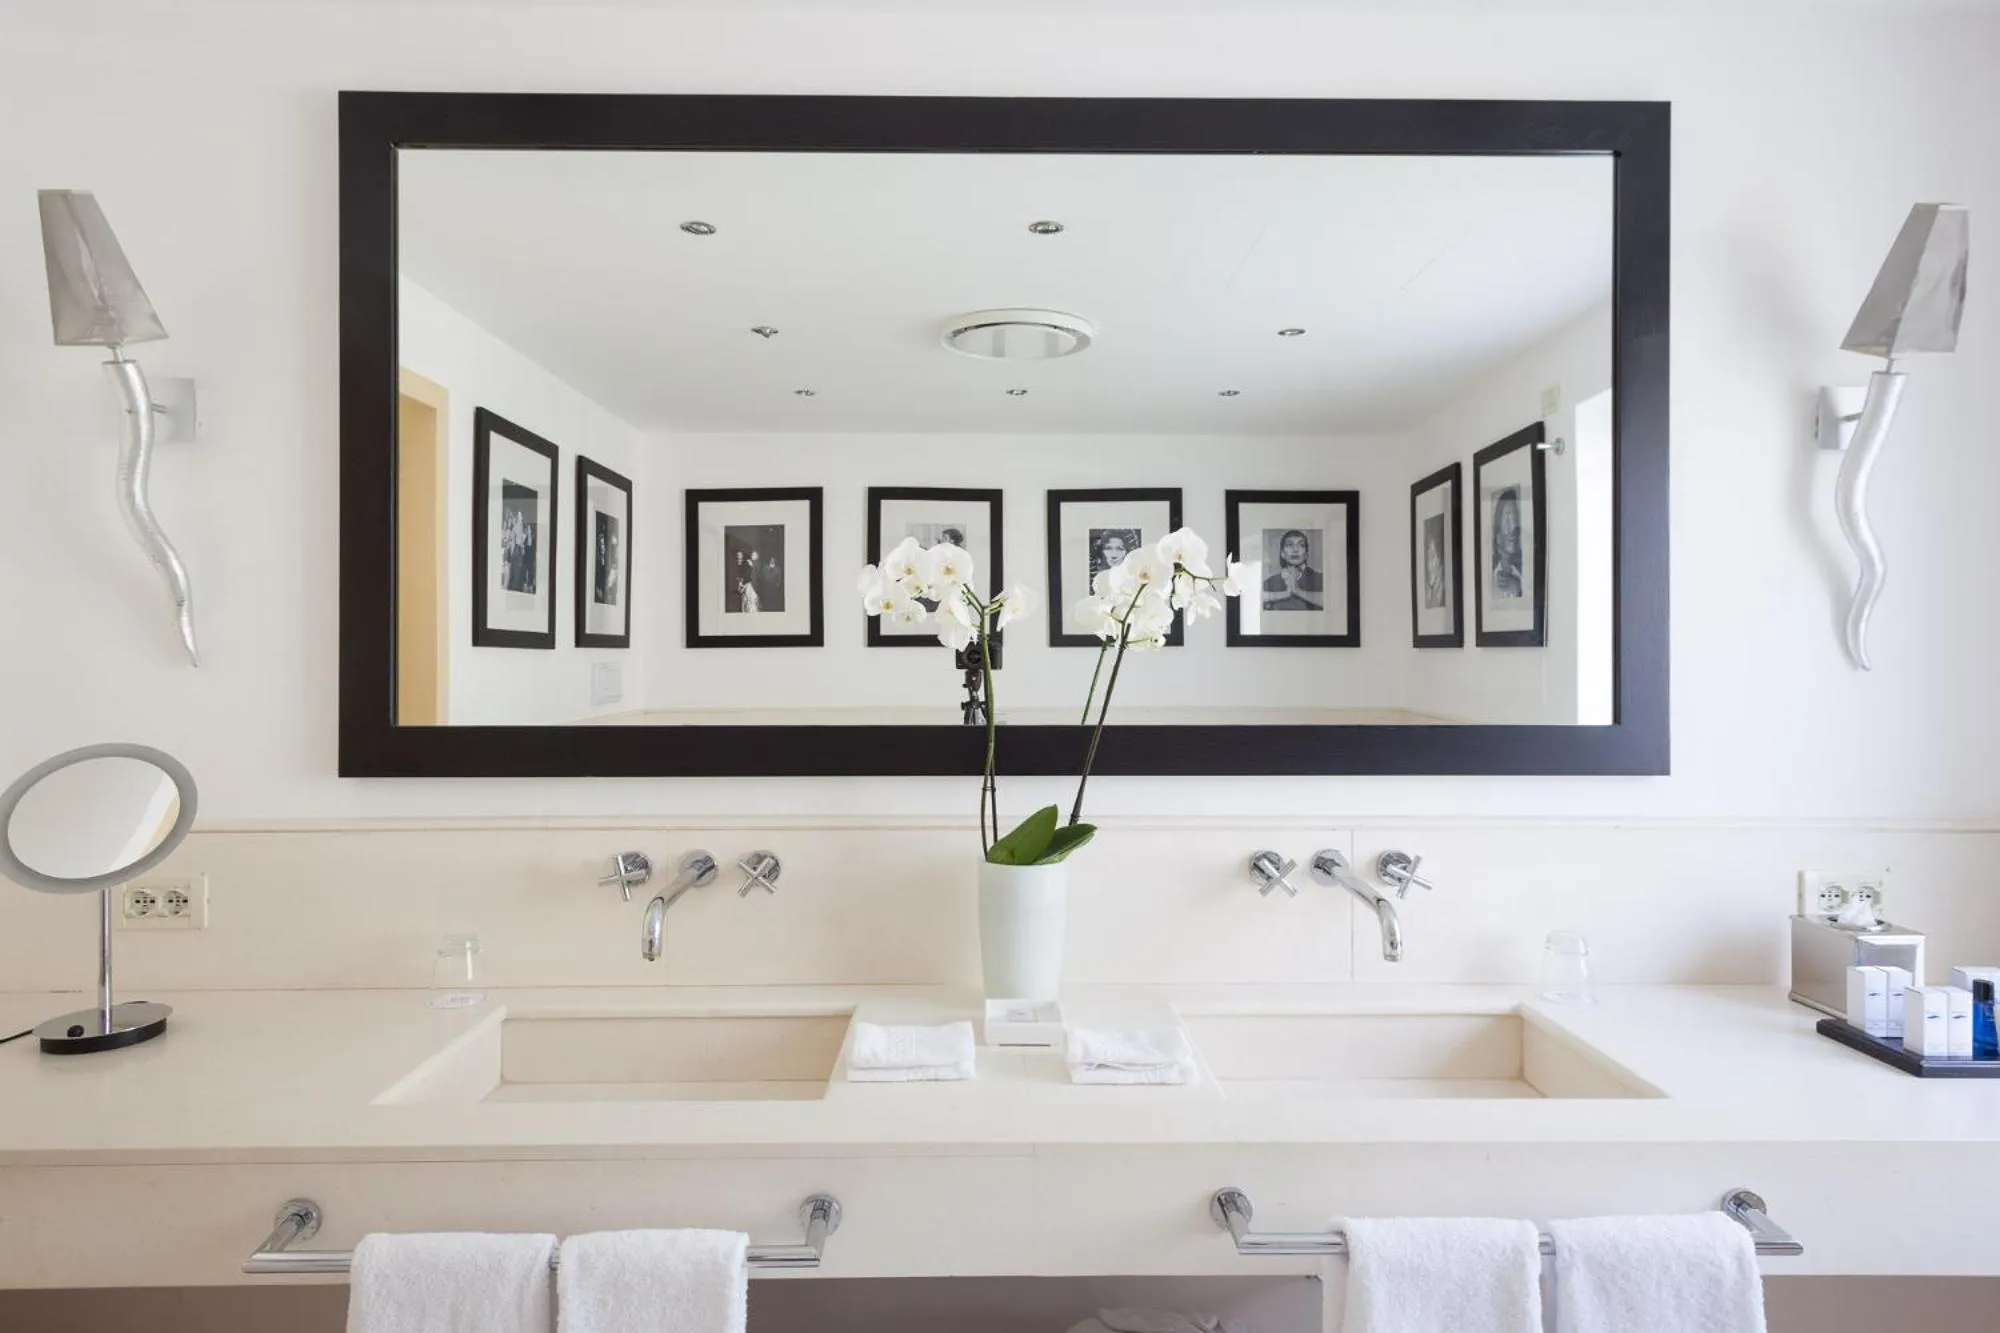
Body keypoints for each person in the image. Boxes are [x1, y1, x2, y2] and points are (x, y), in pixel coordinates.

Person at [1262, 529, 1324, 611]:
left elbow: (1332, 602)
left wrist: (1297, 591)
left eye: (1301, 545)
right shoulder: (1269, 583)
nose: (1295, 550)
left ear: (1306, 555)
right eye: (1289, 545)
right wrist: (1285, 594)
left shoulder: (1321, 580)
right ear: (1282, 554)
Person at [1491, 488, 1524, 600]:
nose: (1514, 526)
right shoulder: (1491, 579)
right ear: (1498, 534)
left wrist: (1518, 589)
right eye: (1507, 518)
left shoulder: (1525, 574)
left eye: (1515, 517)